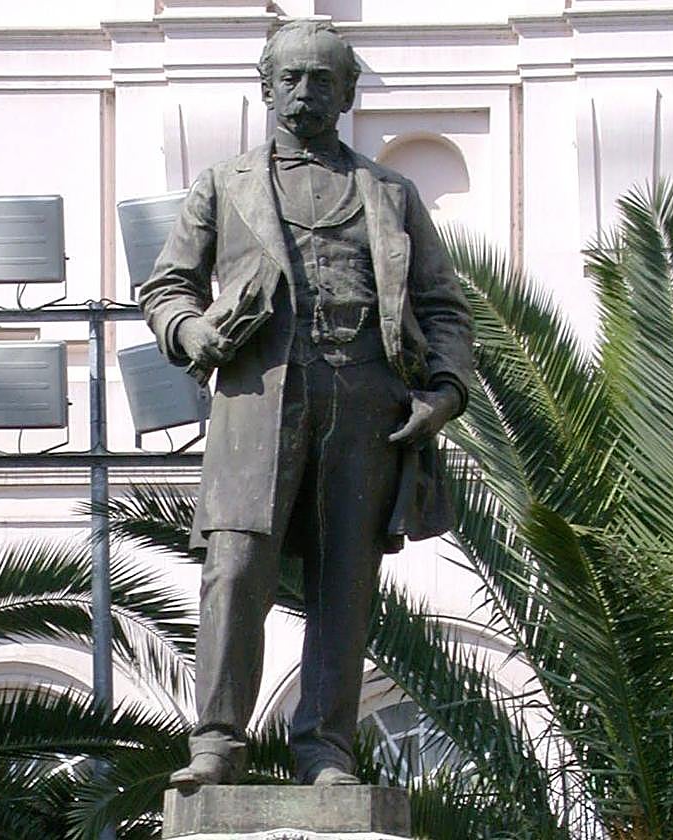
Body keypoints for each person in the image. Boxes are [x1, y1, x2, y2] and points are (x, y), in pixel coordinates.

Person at [138, 19, 473, 789]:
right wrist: (190, 330)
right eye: (290, 77)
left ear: (347, 92)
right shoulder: (223, 184)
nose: (304, 91)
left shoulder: (390, 193)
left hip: (367, 407)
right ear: (266, 87)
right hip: (257, 406)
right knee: (234, 570)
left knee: (343, 584)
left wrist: (446, 392)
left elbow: (442, 307)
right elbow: (166, 287)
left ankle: (325, 749)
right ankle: (216, 743)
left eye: (322, 78)